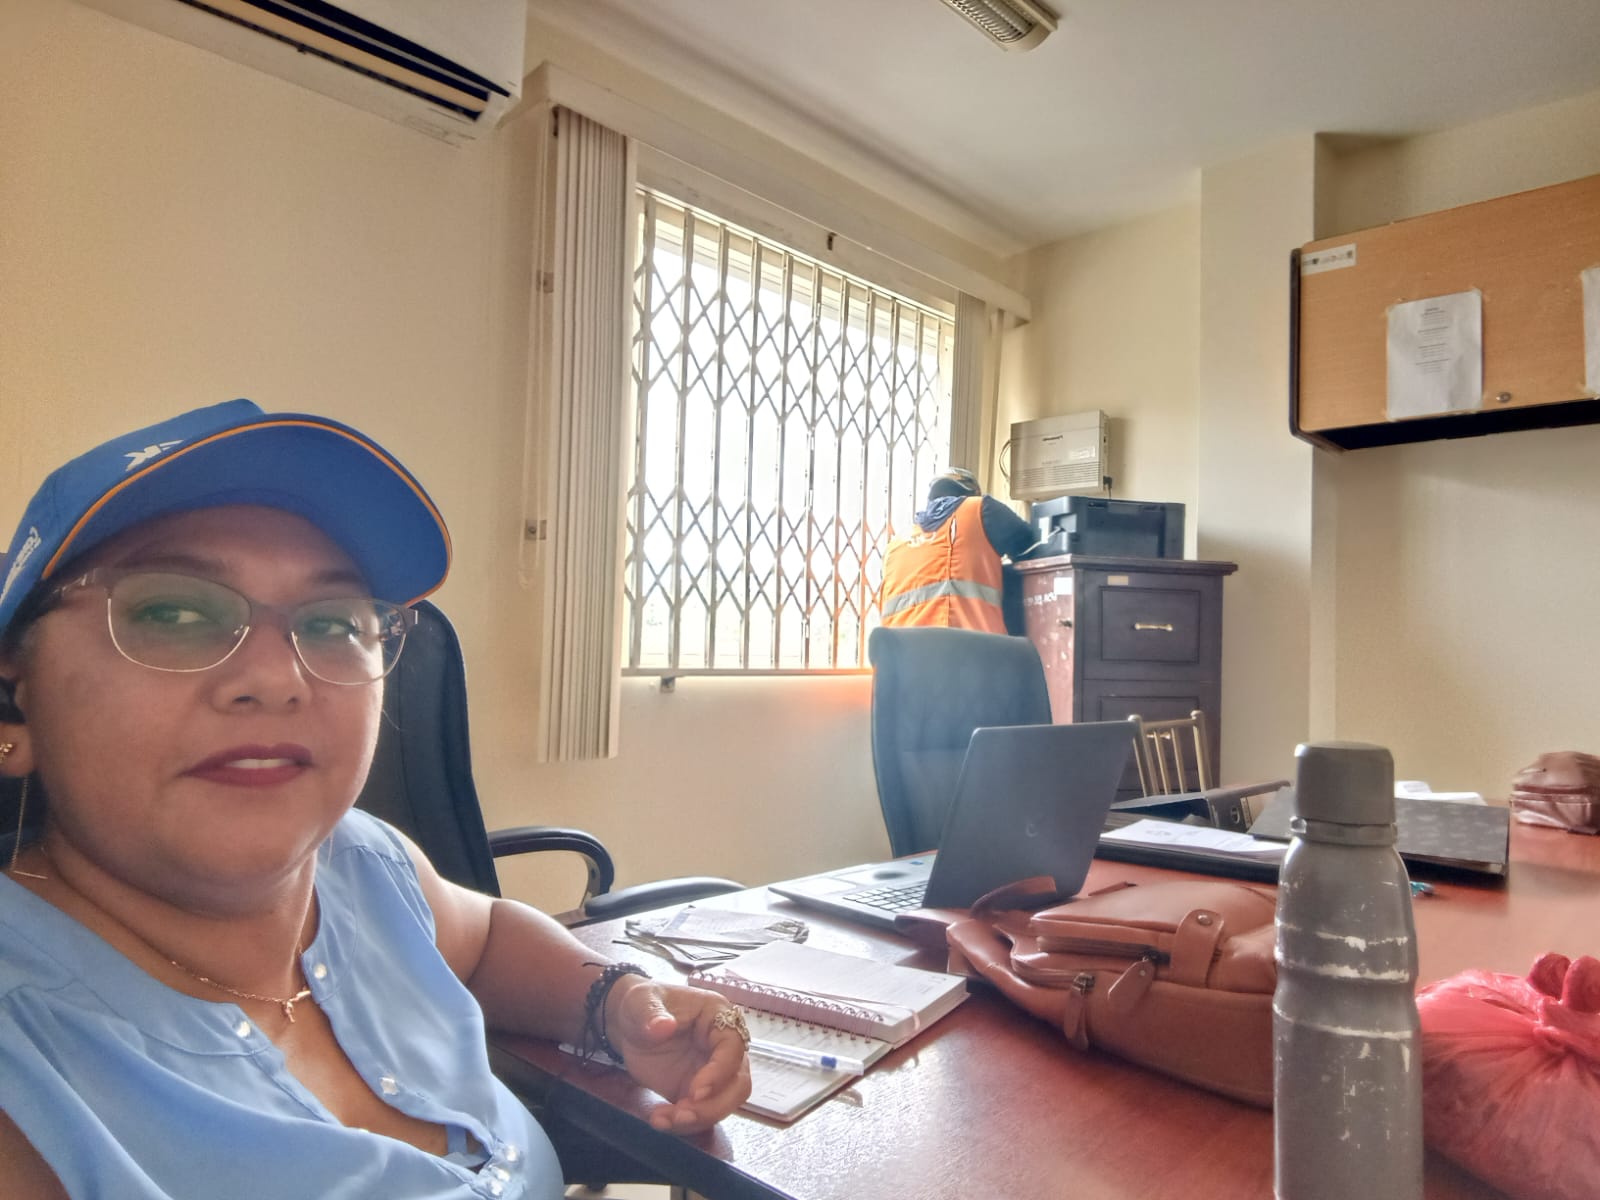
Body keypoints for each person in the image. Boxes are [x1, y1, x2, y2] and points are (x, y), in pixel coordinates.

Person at [0, 399, 752, 1200]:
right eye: (173, 612)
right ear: (14, 709)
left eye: (332, 622)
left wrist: (618, 1002)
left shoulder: (363, 864)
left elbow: (488, 938)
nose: (277, 678)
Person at [879, 467, 1037, 633]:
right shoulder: (981, 509)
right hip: (963, 643)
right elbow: (1031, 545)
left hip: (898, 647)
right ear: (974, 493)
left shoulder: (896, 543)